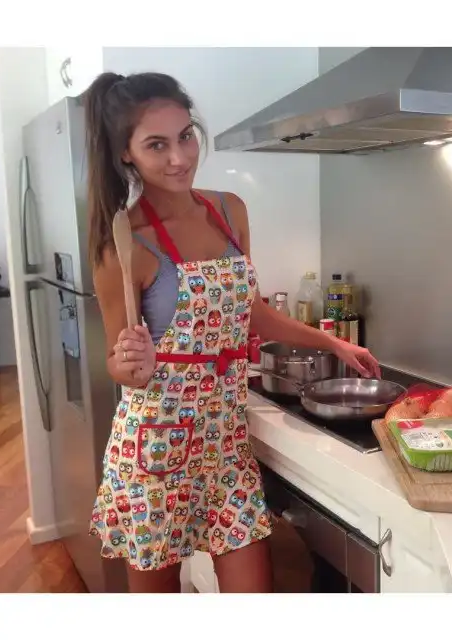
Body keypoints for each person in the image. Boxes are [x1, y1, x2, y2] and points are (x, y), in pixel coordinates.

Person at [85, 71, 381, 593]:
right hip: (156, 451)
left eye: (186, 136)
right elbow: (119, 362)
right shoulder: (124, 243)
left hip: (224, 444)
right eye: (157, 145)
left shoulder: (228, 211)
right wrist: (131, 363)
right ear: (126, 153)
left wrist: (334, 343)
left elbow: (253, 313)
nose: (180, 157)